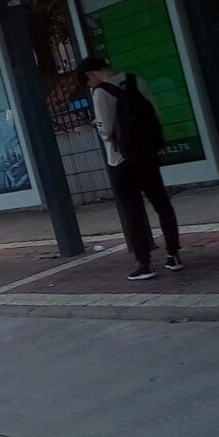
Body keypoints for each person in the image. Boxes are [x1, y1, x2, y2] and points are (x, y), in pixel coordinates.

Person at [77, 56, 183, 281]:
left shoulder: (100, 92)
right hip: (147, 155)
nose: (90, 85)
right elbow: (156, 114)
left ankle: (144, 264)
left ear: (91, 74)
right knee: (162, 204)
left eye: (88, 82)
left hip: (121, 160)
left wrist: (97, 125)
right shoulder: (136, 80)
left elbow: (106, 131)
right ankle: (173, 255)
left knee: (133, 212)